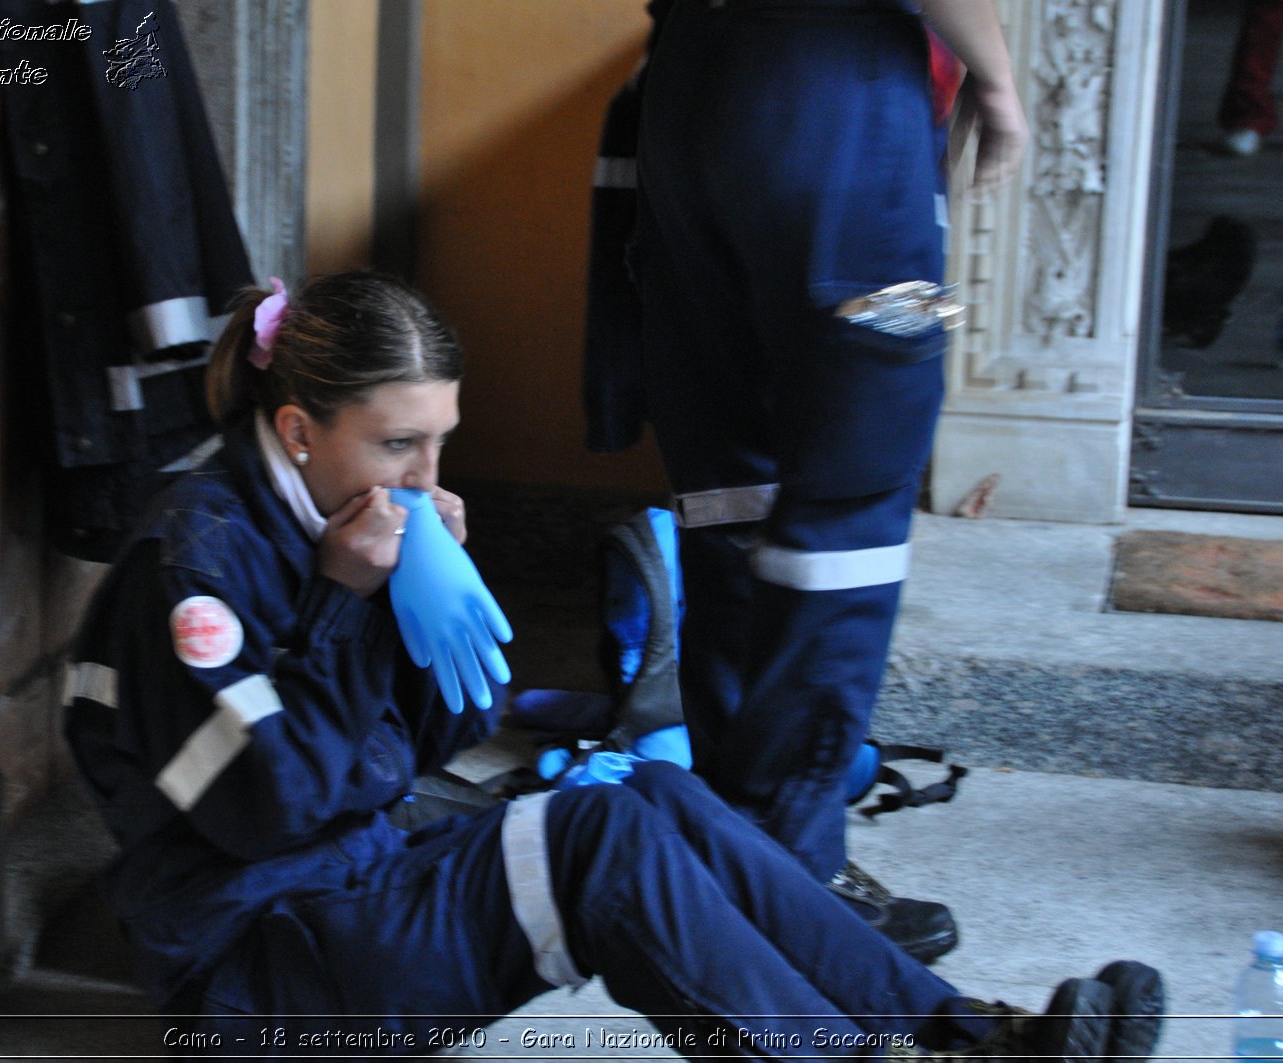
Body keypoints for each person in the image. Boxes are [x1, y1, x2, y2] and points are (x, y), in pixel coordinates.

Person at [62, 270, 1163, 1059]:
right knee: (592, 840)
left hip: (345, 885)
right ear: (299, 429)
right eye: (400, 444)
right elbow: (269, 811)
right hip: (258, 976)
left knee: (656, 790)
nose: (428, 473)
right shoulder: (190, 571)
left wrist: (426, 592)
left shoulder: (329, 513)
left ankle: (972, 1035)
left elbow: (437, 737)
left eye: (440, 438)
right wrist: (350, 604)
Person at [628, 0, 1029, 960]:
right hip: (835, 89)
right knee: (849, 513)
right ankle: (792, 873)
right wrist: (999, 81)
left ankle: (729, 839)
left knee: (728, 492)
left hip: (683, 88)